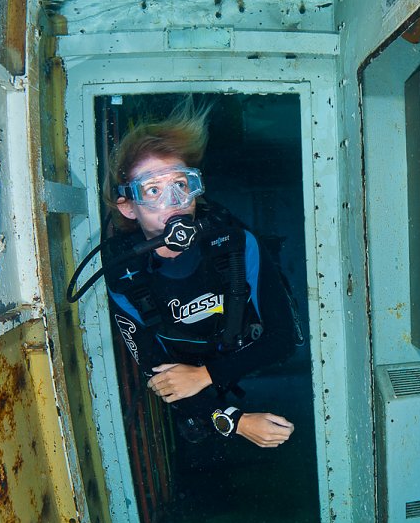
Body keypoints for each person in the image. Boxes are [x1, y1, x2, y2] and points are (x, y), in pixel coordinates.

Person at [102, 103, 296, 449]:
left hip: (238, 354)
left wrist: (206, 375)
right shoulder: (125, 280)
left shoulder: (236, 243)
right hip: (191, 383)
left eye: (181, 184)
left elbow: (281, 338)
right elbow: (161, 378)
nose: (174, 202)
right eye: (152, 190)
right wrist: (234, 421)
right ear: (128, 207)